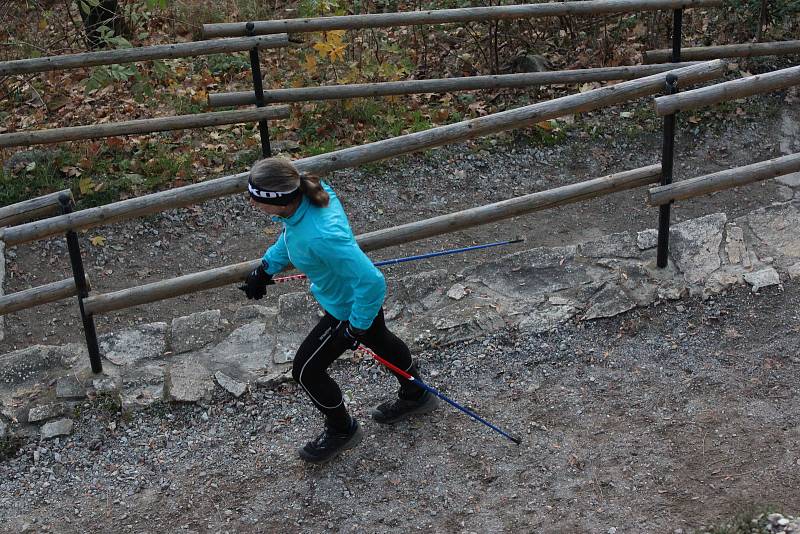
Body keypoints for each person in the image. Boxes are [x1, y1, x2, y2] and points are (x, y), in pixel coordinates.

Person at [240, 157, 439, 464]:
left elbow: (372, 282)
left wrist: (355, 326)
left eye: (254, 197)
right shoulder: (307, 196)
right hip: (351, 299)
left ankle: (341, 429)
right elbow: (292, 236)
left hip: (349, 307)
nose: (251, 203)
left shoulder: (322, 237)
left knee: (306, 371)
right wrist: (266, 268)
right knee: (381, 339)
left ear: (278, 200)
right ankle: (417, 394)